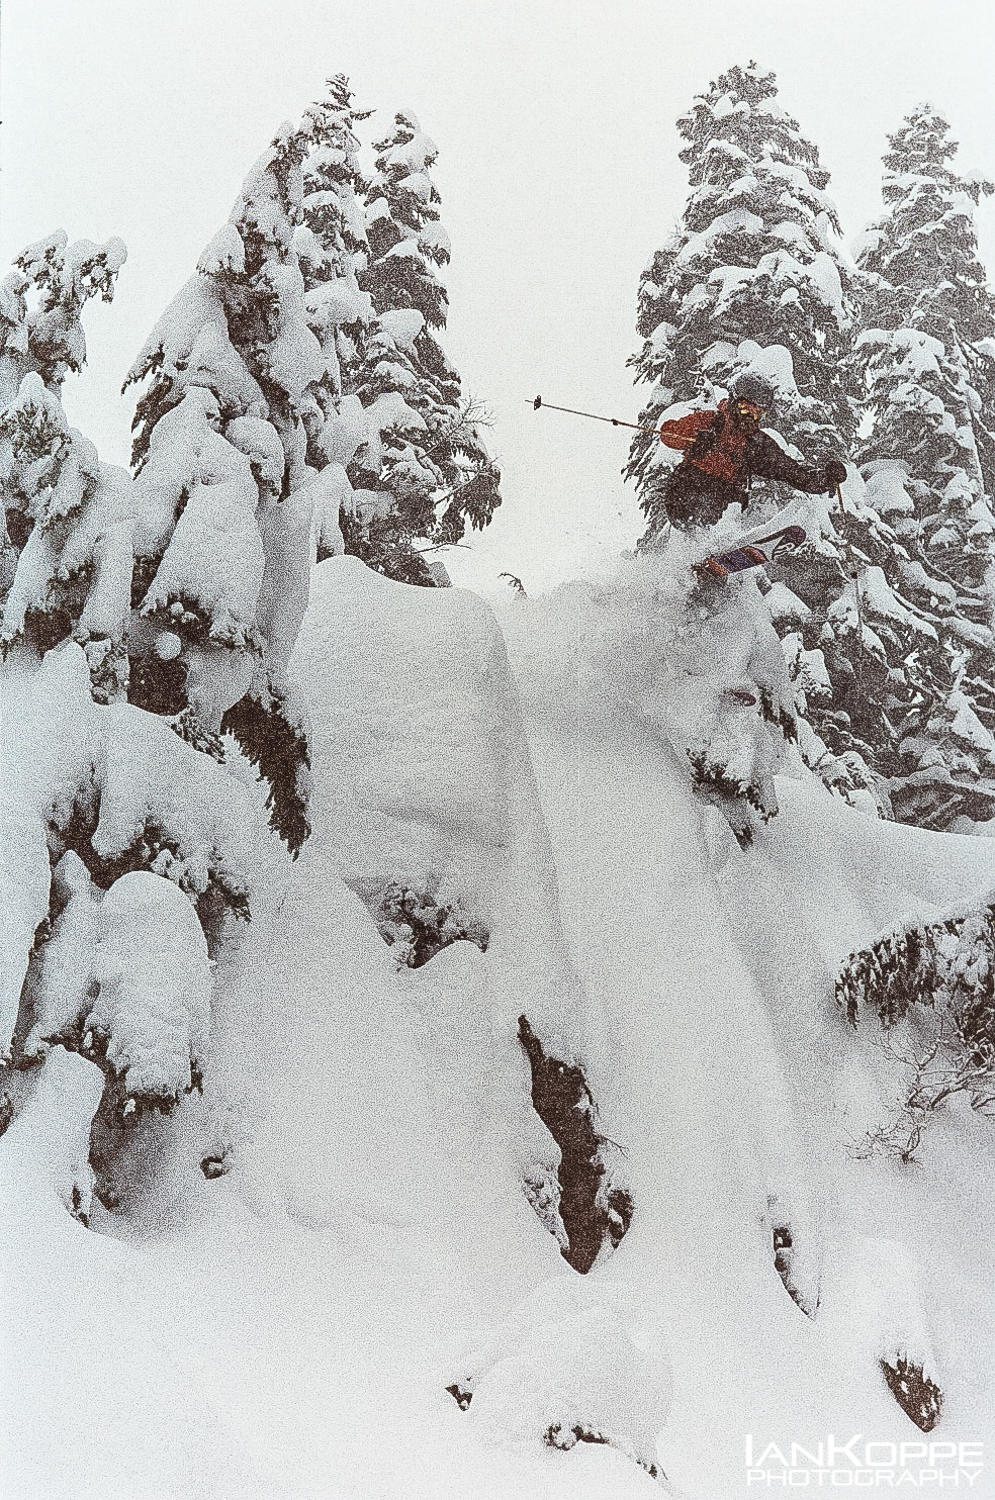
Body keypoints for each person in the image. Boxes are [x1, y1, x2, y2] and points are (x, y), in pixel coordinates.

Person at [659, 374, 847, 528]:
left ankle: (714, 555)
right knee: (707, 492)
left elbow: (792, 472)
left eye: (757, 413)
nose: (750, 417)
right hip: (687, 491)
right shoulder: (711, 421)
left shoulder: (757, 444)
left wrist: (825, 478)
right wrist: (697, 436)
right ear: (734, 402)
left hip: (724, 501)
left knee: (733, 499)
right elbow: (668, 433)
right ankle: (703, 538)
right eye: (745, 409)